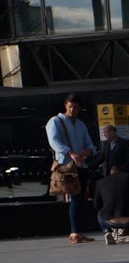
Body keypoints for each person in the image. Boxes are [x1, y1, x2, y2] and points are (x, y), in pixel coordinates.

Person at [45, 93, 97, 243]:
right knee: (74, 198)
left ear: (79, 108)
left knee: (79, 200)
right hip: (66, 166)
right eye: (70, 107)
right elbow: (54, 141)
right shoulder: (56, 121)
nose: (73, 109)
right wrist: (71, 153)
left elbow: (90, 144)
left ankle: (77, 231)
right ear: (65, 106)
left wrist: (86, 152)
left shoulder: (81, 125)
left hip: (81, 165)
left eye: (75, 107)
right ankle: (74, 232)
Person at [93, 163, 129, 243]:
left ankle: (107, 232)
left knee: (100, 214)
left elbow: (96, 205)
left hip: (110, 221)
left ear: (111, 173)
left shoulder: (100, 182)